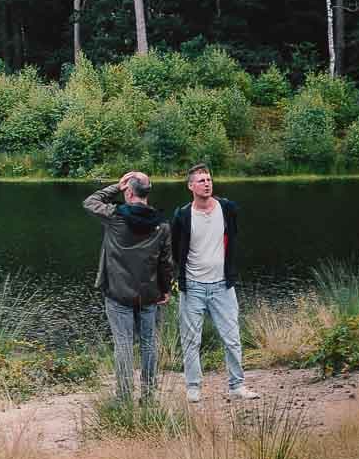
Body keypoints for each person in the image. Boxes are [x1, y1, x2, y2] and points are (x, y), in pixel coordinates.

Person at [169, 163, 259, 402]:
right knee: (191, 340)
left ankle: (237, 386)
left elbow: (234, 238)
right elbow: (176, 250)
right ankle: (193, 387)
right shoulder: (183, 215)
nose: (207, 183)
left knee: (232, 337)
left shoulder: (227, 209)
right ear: (190, 186)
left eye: (209, 179)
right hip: (193, 286)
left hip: (222, 285)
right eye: (201, 180)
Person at [83, 170, 174, 404]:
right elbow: (166, 262)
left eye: (126, 188)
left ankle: (123, 398)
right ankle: (149, 395)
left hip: (118, 294)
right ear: (147, 193)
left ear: (130, 191)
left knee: (123, 345)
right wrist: (166, 290)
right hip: (149, 295)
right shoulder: (162, 225)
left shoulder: (114, 217)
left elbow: (90, 202)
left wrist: (116, 186)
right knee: (148, 344)